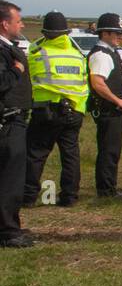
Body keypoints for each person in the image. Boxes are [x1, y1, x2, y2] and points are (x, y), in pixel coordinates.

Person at [23, 11, 89, 208]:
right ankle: (69, 196)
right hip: (75, 110)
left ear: (45, 32)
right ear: (66, 33)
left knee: (36, 153)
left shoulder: (37, 54)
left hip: (47, 111)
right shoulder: (78, 56)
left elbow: (28, 80)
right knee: (70, 154)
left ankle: (28, 196)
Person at [85, 13, 122, 201]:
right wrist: (118, 101)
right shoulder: (101, 55)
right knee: (108, 150)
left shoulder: (109, 52)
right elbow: (97, 83)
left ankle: (108, 187)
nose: (120, 36)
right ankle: (106, 191)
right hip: (107, 110)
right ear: (104, 33)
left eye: (120, 32)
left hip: (111, 109)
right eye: (116, 33)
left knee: (112, 150)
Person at [0, 0, 32, 247]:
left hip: (15, 120)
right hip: (7, 123)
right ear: (4, 24)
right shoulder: (3, 52)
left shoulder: (9, 46)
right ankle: (9, 232)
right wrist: (17, 70)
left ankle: (10, 224)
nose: (21, 24)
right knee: (10, 179)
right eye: (18, 21)